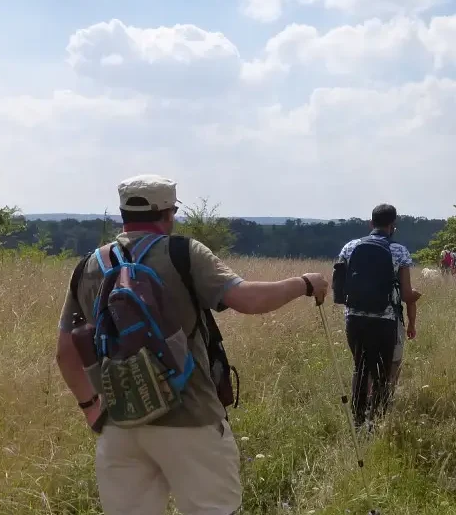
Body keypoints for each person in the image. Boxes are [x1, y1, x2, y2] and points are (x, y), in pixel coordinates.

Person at [54, 174, 328, 515]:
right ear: (168, 213)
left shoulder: (89, 266)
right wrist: (303, 283)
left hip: (121, 425)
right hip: (191, 417)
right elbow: (247, 299)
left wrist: (91, 409)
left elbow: (65, 352)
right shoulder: (184, 252)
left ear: (124, 213)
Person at [332, 204, 415, 429]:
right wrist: (415, 297)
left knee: (360, 367)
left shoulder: (350, 247)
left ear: (371, 224)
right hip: (385, 319)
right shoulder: (399, 251)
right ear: (393, 226)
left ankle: (358, 421)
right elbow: (407, 294)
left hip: (355, 317)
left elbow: (339, 282)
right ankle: (376, 420)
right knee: (382, 370)